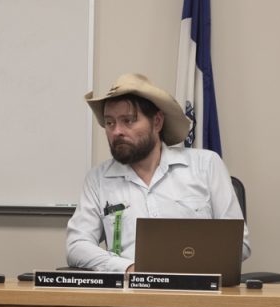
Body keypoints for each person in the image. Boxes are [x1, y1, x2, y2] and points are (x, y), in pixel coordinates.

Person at [65, 73, 249, 272]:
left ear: (157, 122)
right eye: (110, 123)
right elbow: (76, 246)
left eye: (128, 121)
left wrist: (188, 267)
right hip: (130, 293)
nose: (116, 131)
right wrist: (127, 268)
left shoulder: (206, 165)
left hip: (198, 293)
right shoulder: (99, 179)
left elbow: (240, 244)